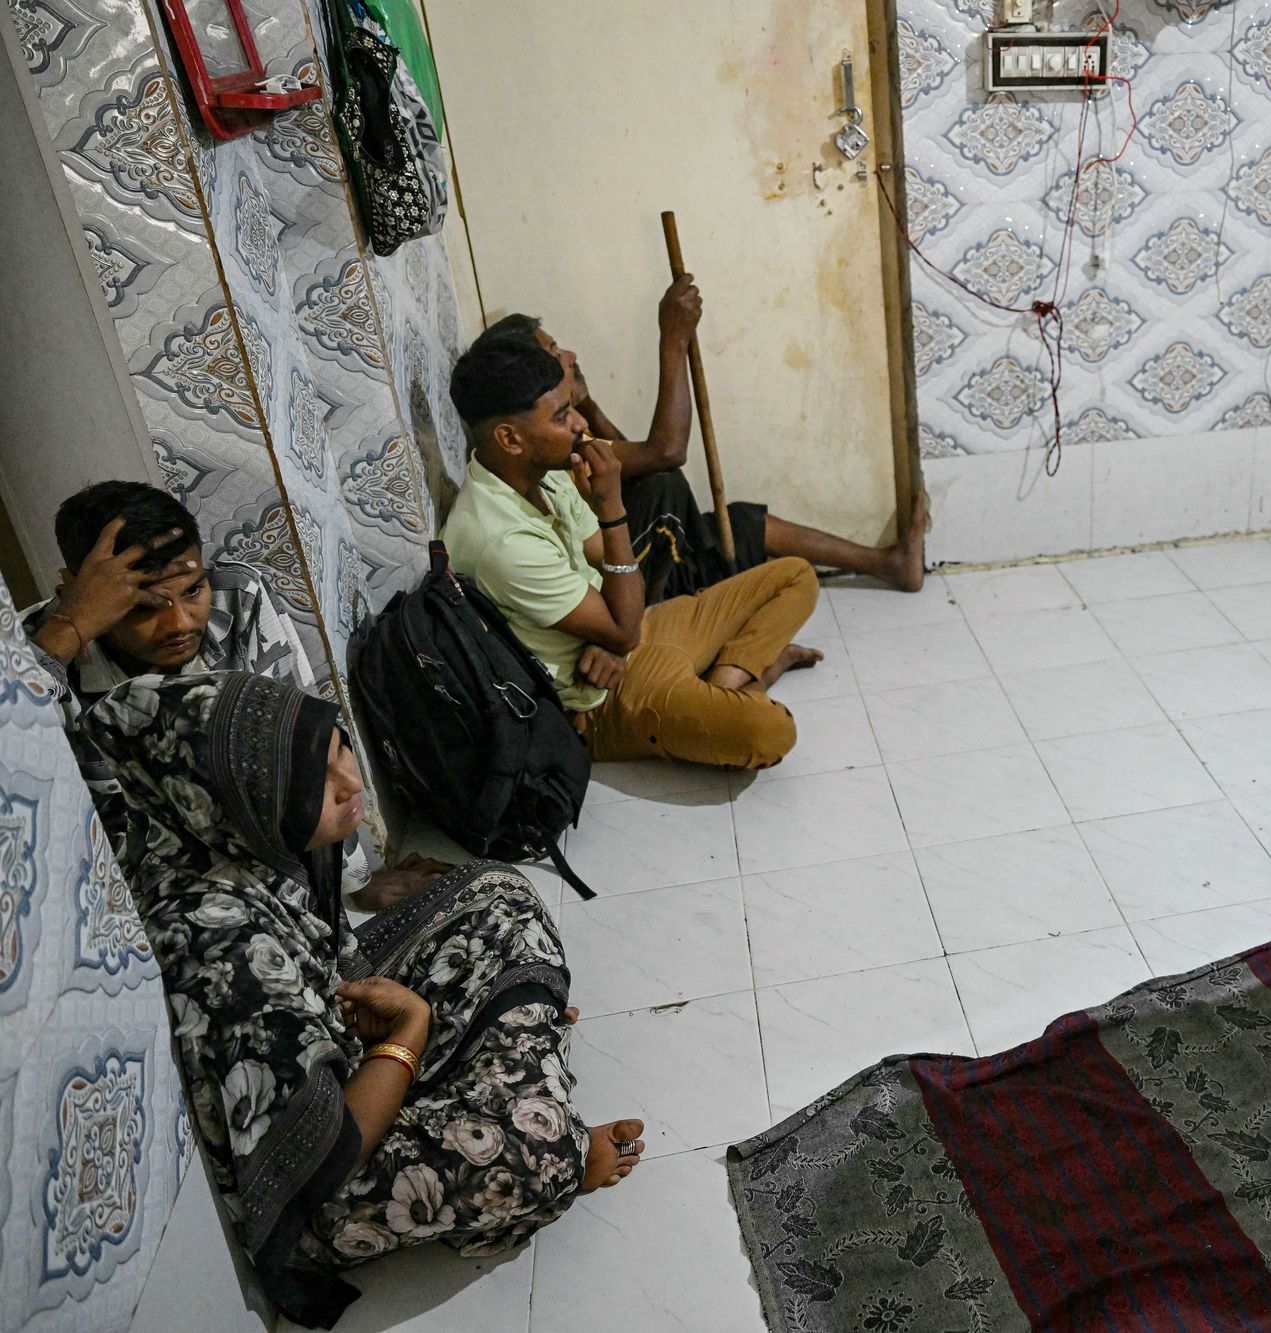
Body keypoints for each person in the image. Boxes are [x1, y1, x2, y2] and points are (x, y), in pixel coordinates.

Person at [85, 670, 645, 1327]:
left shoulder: (259, 844)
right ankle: (536, 1091)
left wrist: (411, 1018)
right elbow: (325, 1161)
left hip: (340, 1034)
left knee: (500, 894)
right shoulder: (221, 943)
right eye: (312, 782)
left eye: (339, 749)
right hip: (325, 1181)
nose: (351, 783)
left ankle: (514, 1050)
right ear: (235, 802)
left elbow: (336, 968)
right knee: (532, 1149)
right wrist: (409, 1032)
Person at [21, 481, 428, 911]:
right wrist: (68, 630)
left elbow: (303, 760)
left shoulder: (237, 601)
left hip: (261, 871)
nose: (179, 624)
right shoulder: (33, 656)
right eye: (143, 607)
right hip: (143, 898)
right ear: (76, 591)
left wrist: (351, 885)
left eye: (193, 590)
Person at [444, 336, 818, 770]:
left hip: (625, 644)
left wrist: (619, 642)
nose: (580, 423)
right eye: (562, 415)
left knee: (796, 576)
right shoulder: (500, 539)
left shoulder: (541, 474)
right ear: (510, 438)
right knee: (771, 733)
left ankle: (725, 686)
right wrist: (612, 509)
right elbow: (620, 622)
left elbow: (614, 575)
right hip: (602, 699)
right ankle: (745, 676)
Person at [477, 273, 928, 601]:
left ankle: (886, 564)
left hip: (634, 549)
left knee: (740, 523)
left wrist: (588, 403)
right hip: (622, 581)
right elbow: (663, 453)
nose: (569, 354)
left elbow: (625, 459)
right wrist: (673, 339)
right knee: (667, 487)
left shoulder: (565, 423)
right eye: (555, 353)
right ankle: (675, 613)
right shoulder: (548, 442)